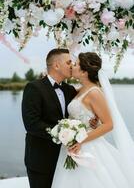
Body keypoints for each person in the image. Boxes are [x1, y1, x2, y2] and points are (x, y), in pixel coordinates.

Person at [52, 52, 134, 188]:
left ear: (84, 72)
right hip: (74, 145)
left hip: (87, 146)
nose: (73, 65)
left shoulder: (94, 92)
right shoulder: (81, 90)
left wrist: (80, 140)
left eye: (76, 64)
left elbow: (109, 124)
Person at [22, 48, 97, 188]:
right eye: (69, 62)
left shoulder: (69, 89)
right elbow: (31, 123)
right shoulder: (33, 88)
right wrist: (61, 134)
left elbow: (89, 96)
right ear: (56, 65)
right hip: (41, 160)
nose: (72, 65)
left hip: (66, 158)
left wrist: (92, 120)